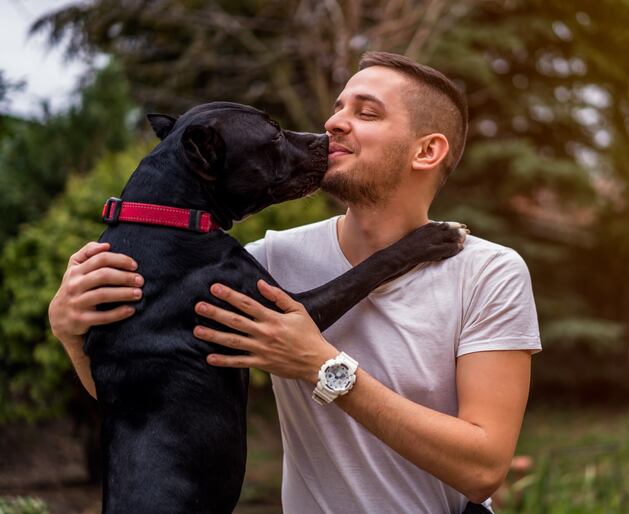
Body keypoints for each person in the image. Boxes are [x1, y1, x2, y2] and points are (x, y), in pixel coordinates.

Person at [48, 51, 541, 513]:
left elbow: (484, 469)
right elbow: (150, 397)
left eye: (366, 113)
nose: (333, 122)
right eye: (337, 107)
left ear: (427, 150)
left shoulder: (488, 272)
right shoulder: (268, 261)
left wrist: (321, 365)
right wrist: (72, 334)